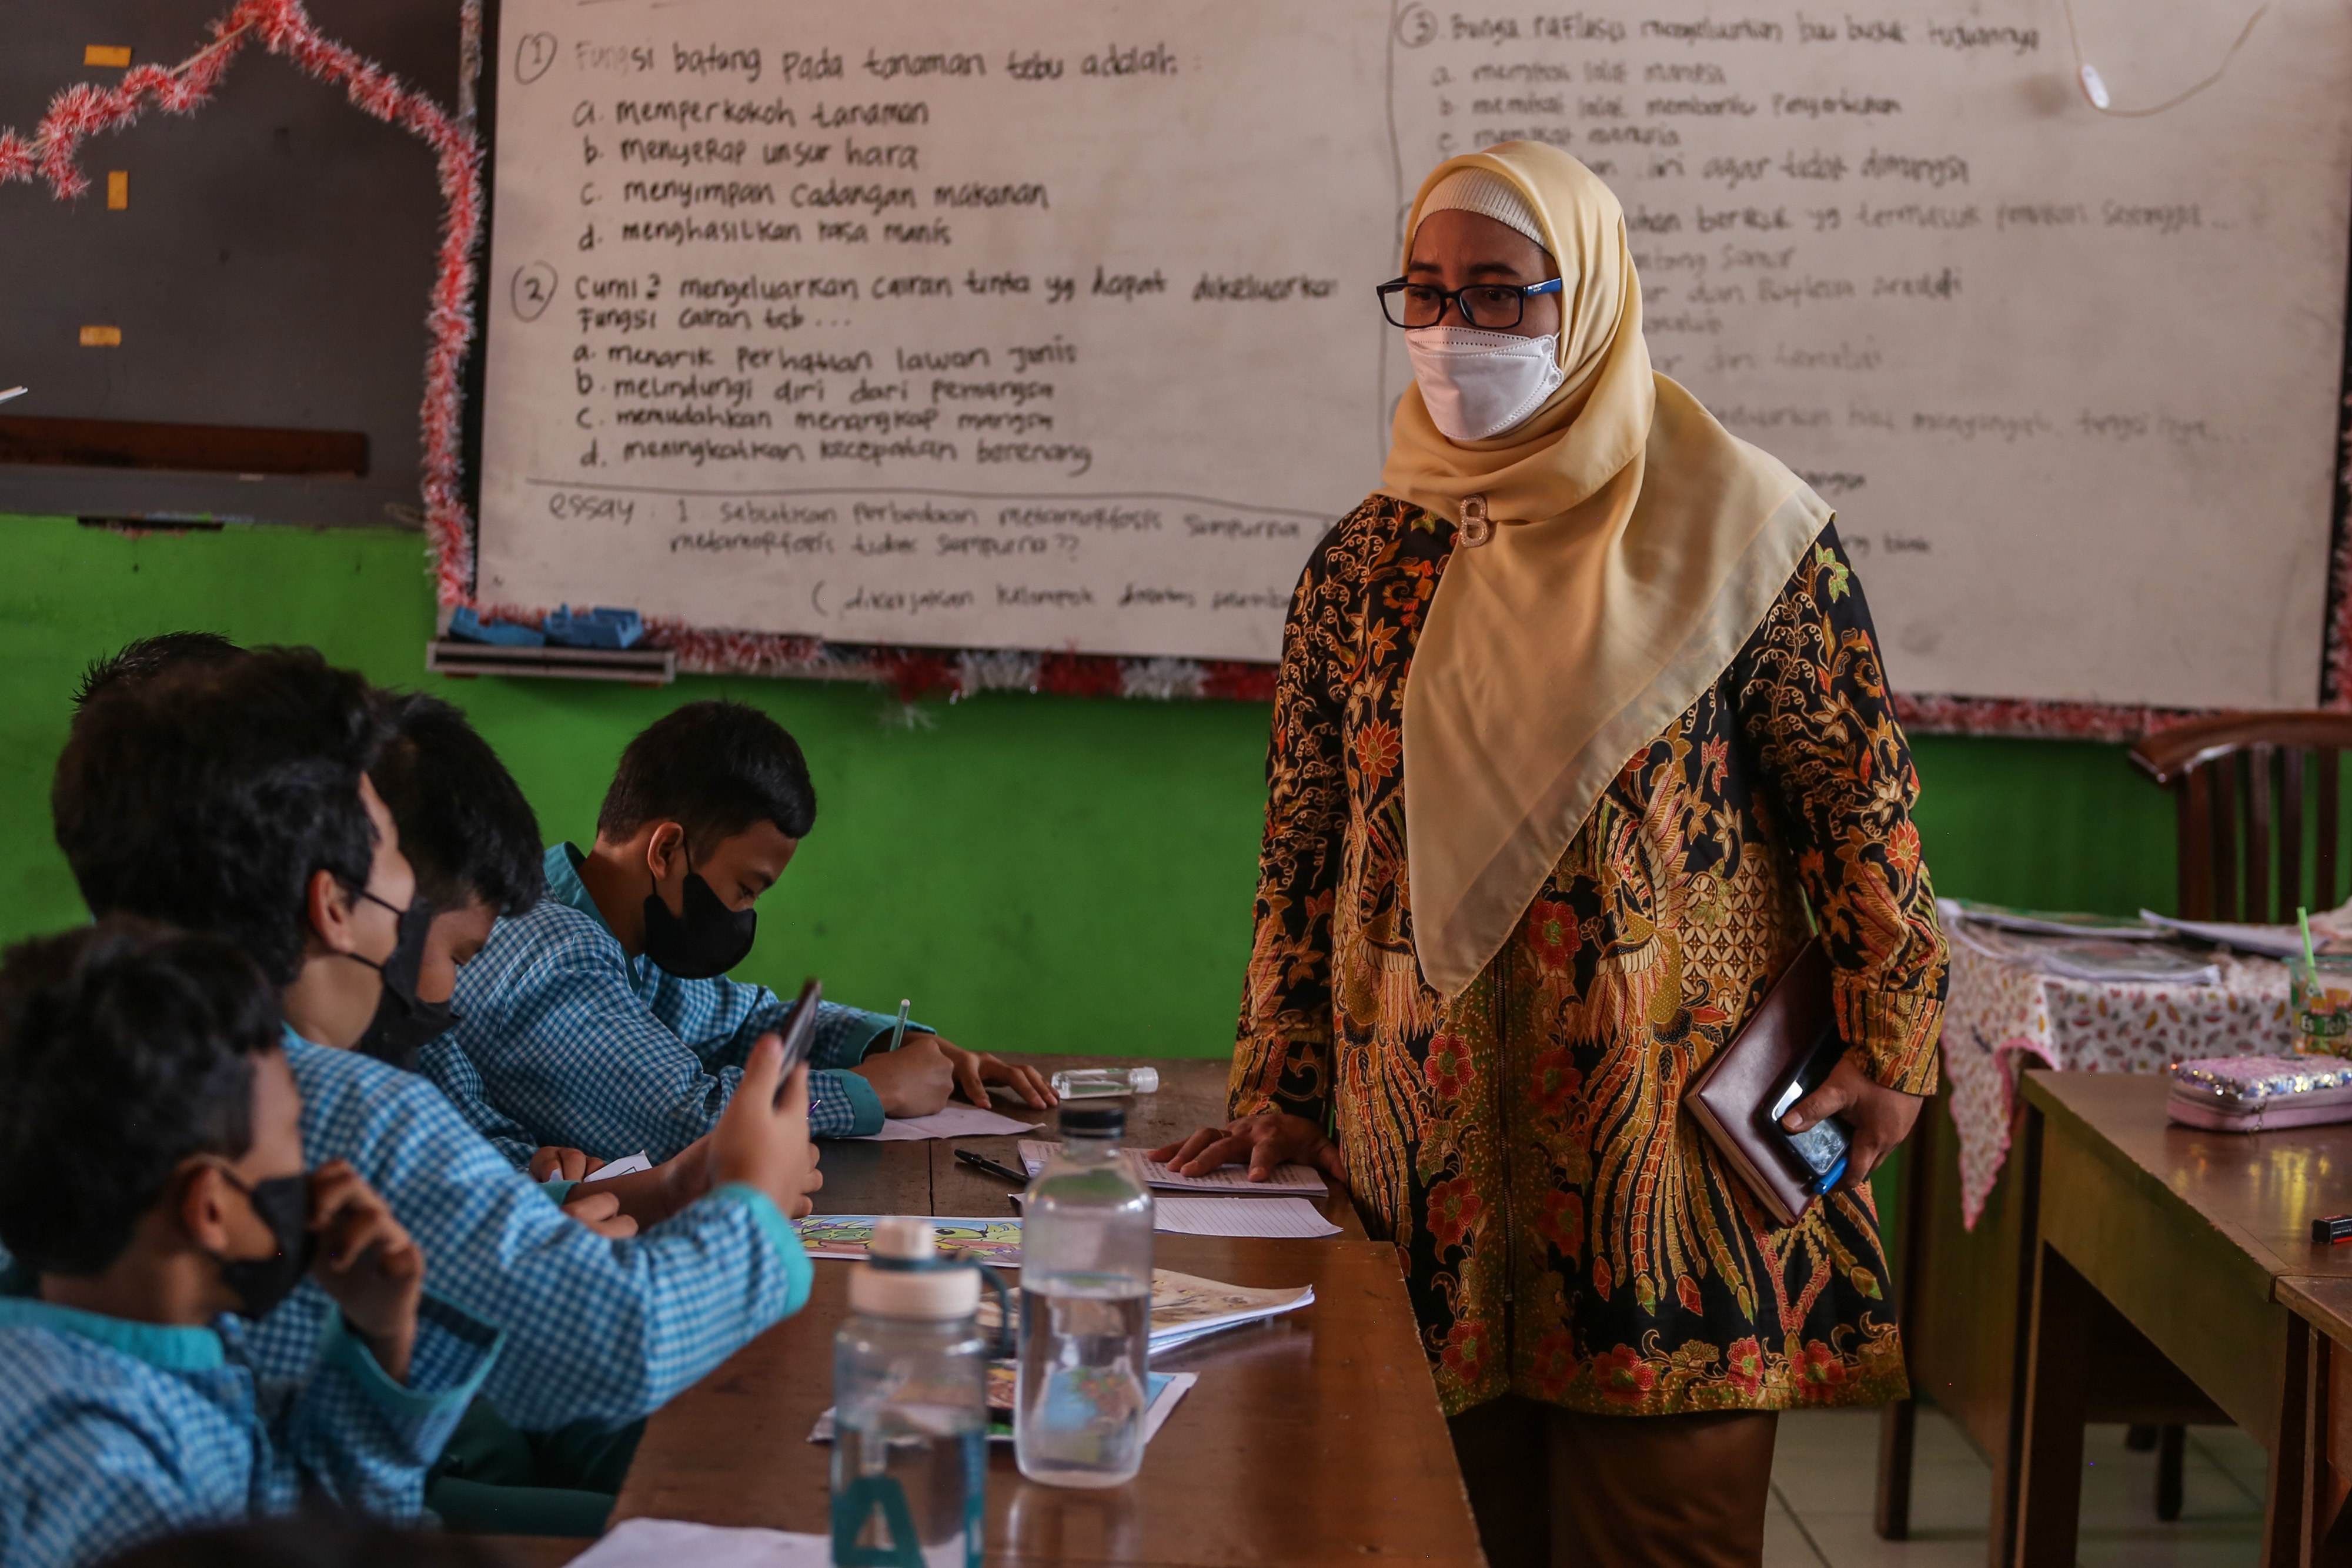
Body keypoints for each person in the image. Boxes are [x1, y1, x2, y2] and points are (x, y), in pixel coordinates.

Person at [1155, 145, 1948, 1568]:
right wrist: (1277, 1090)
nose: (1453, 329)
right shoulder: (1370, 563)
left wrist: (1893, 1044)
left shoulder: (1746, 536)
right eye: (1427, 291)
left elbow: (1860, 813)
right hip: (1413, 1157)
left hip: (1670, 1163)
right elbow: (1303, 858)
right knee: (1426, 1529)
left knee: (1663, 1540)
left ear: (1584, 303)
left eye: (1501, 295)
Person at [49, 649, 823, 1499]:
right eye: (384, 842)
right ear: (333, 900)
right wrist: (753, 1202)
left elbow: (306, 1471)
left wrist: (394, 1346)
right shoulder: (336, 1101)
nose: (405, 879)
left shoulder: (97, 1043)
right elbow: (613, 1343)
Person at [0, 917, 498, 1568]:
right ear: (210, 1208)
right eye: (294, 1139)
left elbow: (317, 1521)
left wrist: (379, 1339)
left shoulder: (177, 1351)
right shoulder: (99, 1467)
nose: (320, 1173)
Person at [435, 699, 1053, 1162]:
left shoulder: (624, 932)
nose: (743, 914)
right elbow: (688, 1123)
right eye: (746, 888)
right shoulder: (552, 954)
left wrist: (888, 1044)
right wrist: (871, 1091)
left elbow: (747, 1021)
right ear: (668, 849)